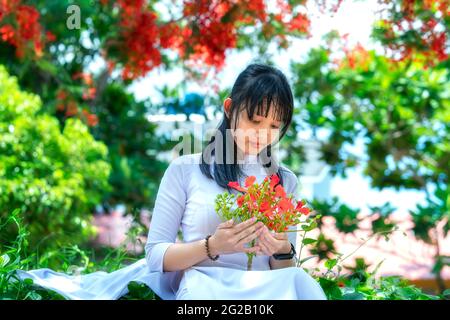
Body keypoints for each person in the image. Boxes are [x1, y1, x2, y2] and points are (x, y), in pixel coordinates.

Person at [15, 63, 327, 300]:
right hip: (204, 287)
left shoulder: (284, 181)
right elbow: (155, 256)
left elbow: (284, 274)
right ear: (230, 109)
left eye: (274, 125)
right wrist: (211, 246)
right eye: (254, 120)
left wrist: (282, 249)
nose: (262, 134)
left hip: (265, 292)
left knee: (299, 282)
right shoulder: (186, 169)